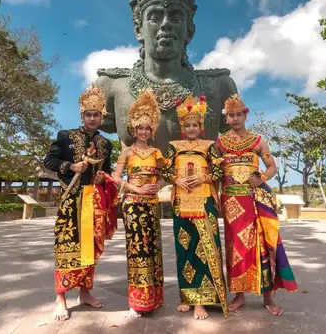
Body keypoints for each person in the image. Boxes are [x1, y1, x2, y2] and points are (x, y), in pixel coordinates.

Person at [94, 0, 238, 155]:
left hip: (199, 189)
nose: (165, 25)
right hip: (138, 189)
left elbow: (233, 149)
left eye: (176, 17)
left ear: (189, 28)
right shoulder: (110, 86)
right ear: (138, 28)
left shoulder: (219, 86)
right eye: (154, 16)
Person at [216, 94, 298, 315]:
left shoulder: (259, 141)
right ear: (227, 119)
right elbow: (215, 174)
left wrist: (262, 178)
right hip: (232, 203)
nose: (235, 119)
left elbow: (272, 167)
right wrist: (215, 197)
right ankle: (239, 295)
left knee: (263, 246)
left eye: (238, 114)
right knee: (235, 249)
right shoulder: (220, 143)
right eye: (231, 115)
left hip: (255, 202)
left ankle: (268, 298)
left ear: (245, 115)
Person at [43, 85, 118, 321]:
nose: (93, 118)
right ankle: (61, 298)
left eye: (97, 114)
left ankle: (85, 293)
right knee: (66, 246)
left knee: (90, 249)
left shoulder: (106, 145)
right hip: (72, 202)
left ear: (102, 116)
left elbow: (106, 173)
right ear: (82, 115)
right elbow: (50, 161)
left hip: (93, 202)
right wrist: (71, 167)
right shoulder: (65, 136)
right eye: (89, 114)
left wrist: (100, 177)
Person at [163, 95, 228, 320]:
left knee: (204, 249)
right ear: (183, 126)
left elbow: (220, 172)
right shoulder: (174, 146)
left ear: (200, 127)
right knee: (184, 251)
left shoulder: (209, 146)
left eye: (195, 125)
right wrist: (176, 180)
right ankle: (186, 297)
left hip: (204, 202)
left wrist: (204, 179)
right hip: (181, 203)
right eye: (187, 125)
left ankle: (202, 300)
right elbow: (165, 170)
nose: (191, 128)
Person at [112, 89, 164, 318]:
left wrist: (157, 186)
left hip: (152, 204)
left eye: (147, 128)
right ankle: (138, 300)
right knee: (137, 249)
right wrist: (136, 188)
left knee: (153, 249)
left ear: (152, 130)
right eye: (139, 128)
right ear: (133, 129)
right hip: (132, 204)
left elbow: (164, 176)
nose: (143, 131)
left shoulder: (157, 152)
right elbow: (115, 178)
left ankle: (154, 298)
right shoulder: (126, 152)